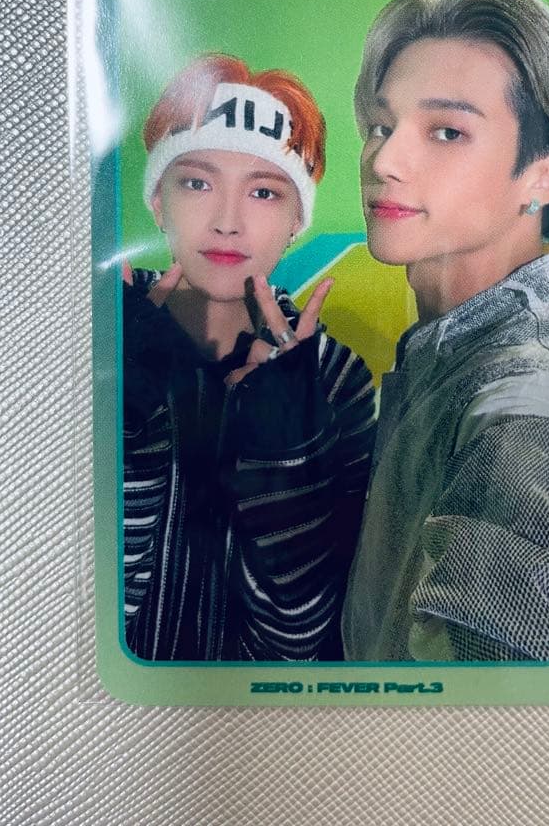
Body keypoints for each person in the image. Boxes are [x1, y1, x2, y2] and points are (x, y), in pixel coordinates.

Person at [342, 0, 549, 662]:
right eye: (381, 126)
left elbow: (492, 705)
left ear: (544, 175)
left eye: (447, 131)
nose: (384, 161)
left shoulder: (526, 405)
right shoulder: (447, 348)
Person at [122, 53, 376, 662]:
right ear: (158, 202)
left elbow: (300, 648)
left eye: (263, 192)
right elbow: (69, 612)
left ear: (296, 221)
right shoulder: (93, 334)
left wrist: (285, 463)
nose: (227, 223)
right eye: (197, 183)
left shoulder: (337, 379)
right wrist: (127, 422)